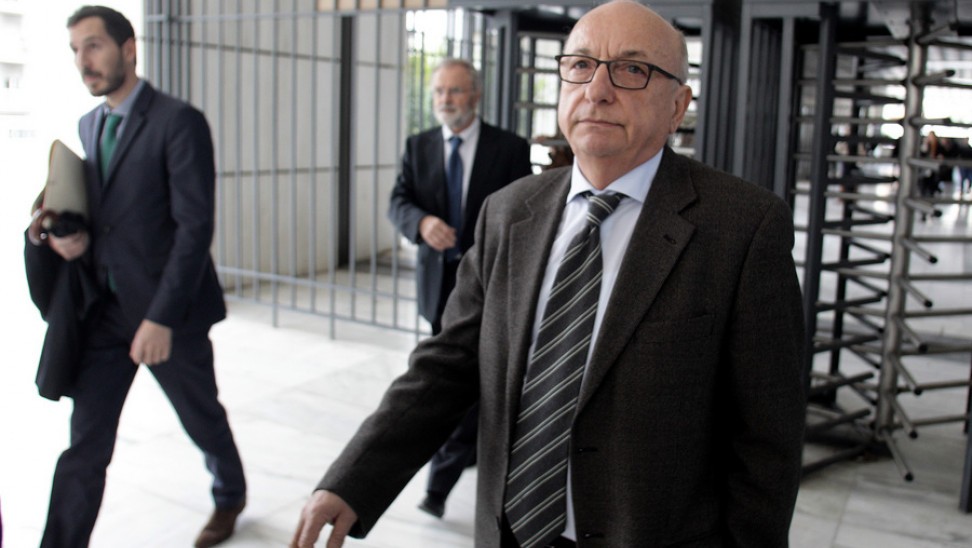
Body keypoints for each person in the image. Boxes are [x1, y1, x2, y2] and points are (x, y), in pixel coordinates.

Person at [292, 1, 806, 547]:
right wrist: (353, 480)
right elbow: (447, 365)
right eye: (580, 65)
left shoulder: (743, 228)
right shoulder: (508, 211)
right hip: (510, 531)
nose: (597, 90)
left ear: (678, 105)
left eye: (631, 69)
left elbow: (767, 437)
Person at [24, 6, 246, 547]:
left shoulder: (179, 121)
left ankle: (230, 495)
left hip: (170, 314)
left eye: (93, 46)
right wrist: (65, 237)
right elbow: (104, 216)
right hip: (104, 313)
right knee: (85, 445)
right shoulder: (89, 124)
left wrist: (160, 318)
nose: (83, 61)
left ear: (129, 49)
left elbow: (194, 229)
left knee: (201, 418)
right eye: (75, 50)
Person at [388, 58, 533, 518]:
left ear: (475, 95)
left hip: (490, 284)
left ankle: (440, 482)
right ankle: (460, 453)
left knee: (472, 375)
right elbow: (398, 201)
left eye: (454, 91)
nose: (445, 100)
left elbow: (526, 211)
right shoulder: (418, 146)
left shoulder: (509, 148)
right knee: (449, 372)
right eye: (438, 91)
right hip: (438, 286)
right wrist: (421, 223)